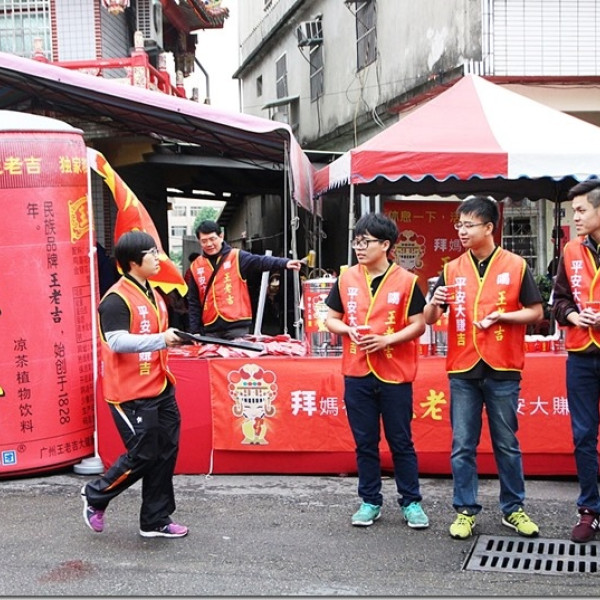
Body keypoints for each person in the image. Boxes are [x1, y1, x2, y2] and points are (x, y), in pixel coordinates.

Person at [423, 195, 543, 540]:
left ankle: (513, 509)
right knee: (463, 444)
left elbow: (535, 312)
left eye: (469, 225)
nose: (461, 231)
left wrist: (503, 316)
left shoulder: (515, 265)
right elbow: (430, 318)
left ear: (489, 227)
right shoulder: (451, 269)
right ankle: (465, 510)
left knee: (506, 443)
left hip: (503, 366)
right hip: (463, 367)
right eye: (459, 225)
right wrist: (435, 302)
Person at [324, 212, 430, 529]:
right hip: (357, 371)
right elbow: (330, 318)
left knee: (401, 441)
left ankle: (411, 502)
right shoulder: (346, 279)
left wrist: (387, 340)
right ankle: (370, 501)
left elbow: (419, 324)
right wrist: (347, 329)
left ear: (385, 245)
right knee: (365, 442)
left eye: (365, 241)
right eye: (356, 241)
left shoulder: (407, 281)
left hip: (395, 372)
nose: (359, 247)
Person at [81, 231, 188, 539]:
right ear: (132, 262)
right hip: (130, 393)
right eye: (151, 253)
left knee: (165, 451)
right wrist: (161, 339)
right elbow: (117, 341)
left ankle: (155, 520)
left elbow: (157, 334)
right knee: (144, 453)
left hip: (160, 385)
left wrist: (173, 339)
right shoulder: (115, 299)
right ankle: (95, 495)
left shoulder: (153, 292)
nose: (157, 258)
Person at [551, 179, 600, 543]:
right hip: (582, 355)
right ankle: (589, 509)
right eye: (573, 211)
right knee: (583, 435)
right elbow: (559, 301)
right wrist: (571, 316)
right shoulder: (570, 250)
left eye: (581, 210)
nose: (575, 217)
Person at [187, 220, 302, 339]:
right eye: (204, 241)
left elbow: (259, 261)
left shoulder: (236, 256)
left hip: (236, 326)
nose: (209, 244)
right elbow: (194, 301)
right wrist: (195, 331)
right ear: (199, 242)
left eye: (212, 239)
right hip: (210, 328)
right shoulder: (196, 266)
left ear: (221, 236)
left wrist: (284, 263)